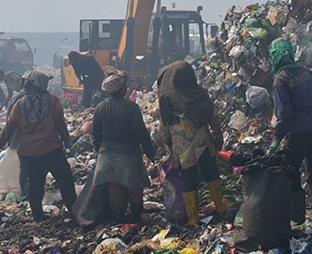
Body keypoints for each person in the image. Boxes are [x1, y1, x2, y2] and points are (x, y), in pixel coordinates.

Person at [0, 71, 77, 222]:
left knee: (34, 183)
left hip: (28, 152)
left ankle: (37, 215)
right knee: (65, 180)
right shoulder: (52, 101)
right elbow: (60, 125)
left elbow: (9, 128)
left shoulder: (20, 104)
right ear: (42, 84)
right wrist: (67, 141)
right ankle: (74, 211)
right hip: (50, 149)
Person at [157, 61, 227, 226]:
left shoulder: (165, 99)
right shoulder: (198, 94)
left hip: (182, 146)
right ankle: (220, 207)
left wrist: (168, 145)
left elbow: (164, 126)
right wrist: (218, 136)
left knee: (188, 179)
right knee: (211, 171)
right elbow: (212, 116)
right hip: (203, 141)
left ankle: (193, 218)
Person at [269, 38, 312, 225]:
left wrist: (277, 139)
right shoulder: (306, 71)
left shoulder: (281, 79)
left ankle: (298, 217)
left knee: (292, 170)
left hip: (300, 131)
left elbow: (285, 113)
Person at [92, 69, 157, 223]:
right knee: (134, 188)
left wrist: (99, 152)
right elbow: (141, 133)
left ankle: (118, 220)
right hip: (129, 155)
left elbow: (96, 135)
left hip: (107, 156)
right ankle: (137, 217)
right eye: (125, 86)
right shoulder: (131, 108)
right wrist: (150, 153)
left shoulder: (100, 108)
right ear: (121, 89)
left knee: (115, 190)